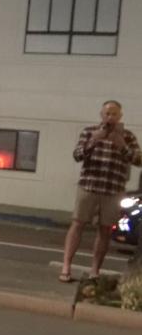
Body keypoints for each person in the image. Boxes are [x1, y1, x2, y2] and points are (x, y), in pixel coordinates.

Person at [60, 100, 142, 282]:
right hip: (89, 186)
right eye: (107, 113)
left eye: (114, 114)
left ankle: (95, 270)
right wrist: (93, 141)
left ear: (120, 116)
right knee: (77, 224)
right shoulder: (89, 132)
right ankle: (66, 266)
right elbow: (77, 155)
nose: (110, 117)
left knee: (105, 230)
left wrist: (123, 146)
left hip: (113, 190)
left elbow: (138, 160)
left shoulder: (127, 136)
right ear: (101, 115)